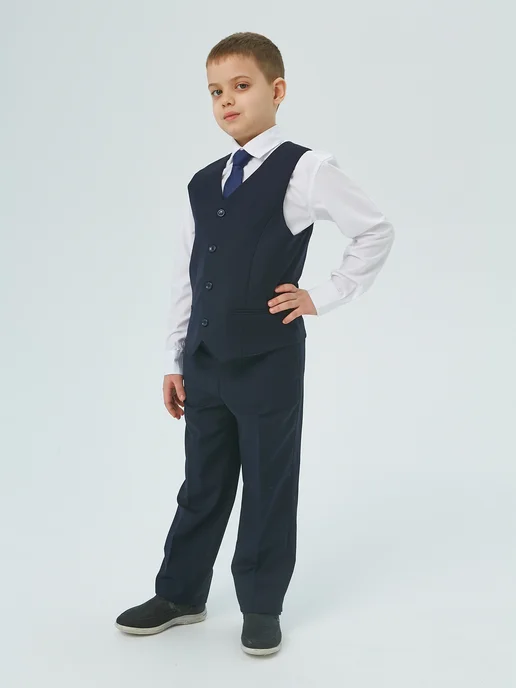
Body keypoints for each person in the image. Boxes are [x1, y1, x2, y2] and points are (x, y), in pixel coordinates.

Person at [115, 31, 395, 656]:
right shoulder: (202, 183)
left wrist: (322, 294)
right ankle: (180, 594)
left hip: (267, 361)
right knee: (201, 484)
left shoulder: (306, 169)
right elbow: (188, 276)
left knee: (268, 484)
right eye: (215, 91)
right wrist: (174, 358)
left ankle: (261, 606)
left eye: (241, 86)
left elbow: (374, 231)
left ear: (277, 90)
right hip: (205, 362)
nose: (227, 100)